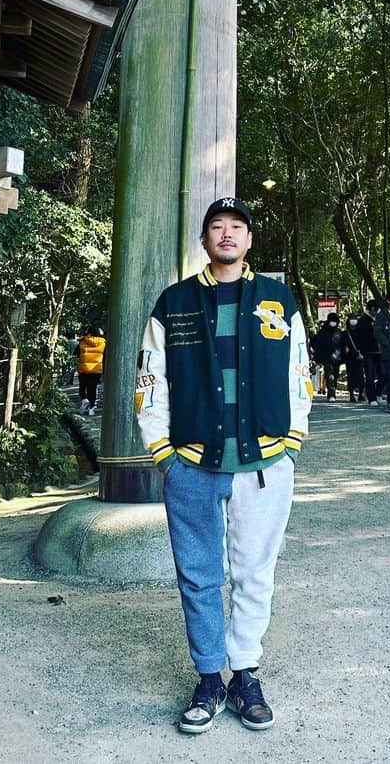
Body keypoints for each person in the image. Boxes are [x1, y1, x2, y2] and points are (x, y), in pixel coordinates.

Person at [135, 197, 312, 734]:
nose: (227, 235)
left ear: (250, 239)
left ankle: (245, 674)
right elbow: (150, 380)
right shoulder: (175, 303)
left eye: (237, 227)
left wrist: (292, 442)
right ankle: (210, 677)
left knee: (256, 573)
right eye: (218, 226)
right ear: (205, 239)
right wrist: (163, 452)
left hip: (264, 463)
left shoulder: (278, 301)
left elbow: (300, 374)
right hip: (191, 463)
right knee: (199, 577)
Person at [312, 313, 347, 402]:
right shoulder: (323, 332)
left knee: (335, 375)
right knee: (329, 375)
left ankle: (333, 389)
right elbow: (318, 345)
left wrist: (344, 355)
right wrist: (318, 358)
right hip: (327, 358)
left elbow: (343, 345)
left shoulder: (339, 332)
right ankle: (331, 393)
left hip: (337, 358)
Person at [76, 325, 105, 414]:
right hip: (96, 369)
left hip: (83, 369)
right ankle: (91, 409)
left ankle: (84, 399)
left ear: (89, 333)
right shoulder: (103, 343)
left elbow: (77, 354)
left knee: (82, 387)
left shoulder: (82, 342)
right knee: (92, 388)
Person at [360, 299, 383, 406]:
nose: (373, 311)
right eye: (371, 310)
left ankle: (378, 393)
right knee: (370, 375)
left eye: (375, 309)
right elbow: (360, 337)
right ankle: (371, 398)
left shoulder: (382, 318)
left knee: (383, 374)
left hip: (381, 351)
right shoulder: (363, 320)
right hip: (368, 352)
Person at [345, 312, 370, 403]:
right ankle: (351, 394)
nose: (353, 321)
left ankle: (361, 393)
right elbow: (343, 344)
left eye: (355, 319)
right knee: (350, 375)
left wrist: (362, 353)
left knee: (361, 375)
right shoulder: (346, 333)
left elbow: (364, 343)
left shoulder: (361, 332)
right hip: (349, 357)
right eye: (352, 319)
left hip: (359, 356)